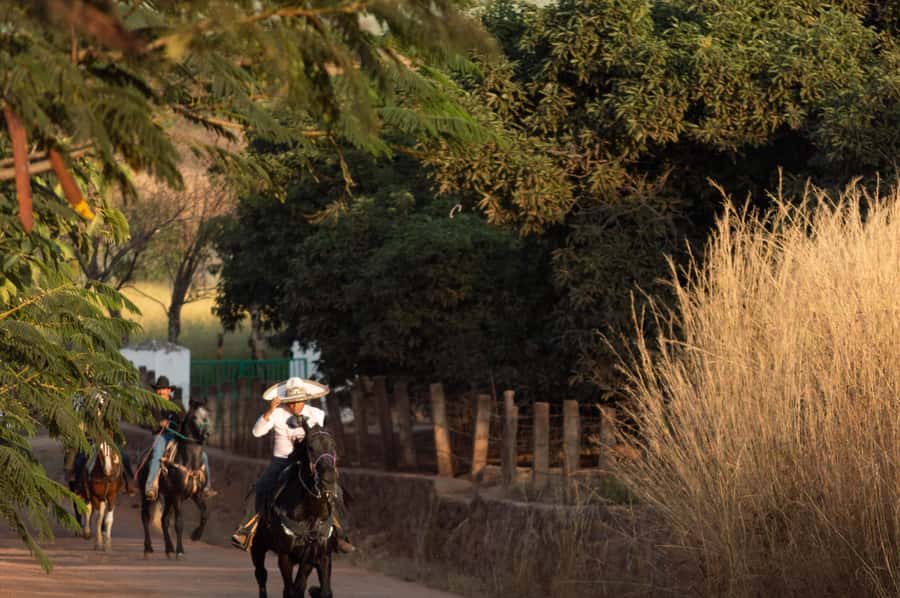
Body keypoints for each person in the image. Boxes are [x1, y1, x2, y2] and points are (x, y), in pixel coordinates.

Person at [232, 377, 354, 553]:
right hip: (281, 461)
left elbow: (322, 440)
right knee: (260, 488)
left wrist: (326, 463)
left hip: (310, 461)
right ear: (286, 400)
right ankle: (245, 530)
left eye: (298, 401)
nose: (295, 405)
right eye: (291, 401)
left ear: (305, 398)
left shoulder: (316, 414)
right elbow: (256, 432)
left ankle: (341, 535)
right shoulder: (276, 413)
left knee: (336, 491)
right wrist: (269, 411)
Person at [144, 375, 216, 500]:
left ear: (169, 391)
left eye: (163, 389)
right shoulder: (152, 405)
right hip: (161, 436)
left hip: (177, 436)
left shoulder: (176, 404)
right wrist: (158, 424)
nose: (160, 391)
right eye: (158, 389)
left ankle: (207, 487)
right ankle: (150, 486)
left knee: (203, 455)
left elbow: (184, 419)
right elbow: (145, 422)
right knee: (157, 453)